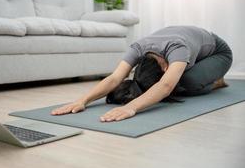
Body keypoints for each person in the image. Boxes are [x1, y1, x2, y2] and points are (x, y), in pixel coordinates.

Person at [51, 26, 233, 122]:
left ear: (164, 69)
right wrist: (82, 101)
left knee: (185, 83)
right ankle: (202, 71)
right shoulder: (138, 48)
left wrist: (131, 107)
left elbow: (166, 86)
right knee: (173, 85)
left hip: (218, 53)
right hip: (193, 49)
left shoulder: (177, 49)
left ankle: (217, 80)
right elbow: (115, 77)